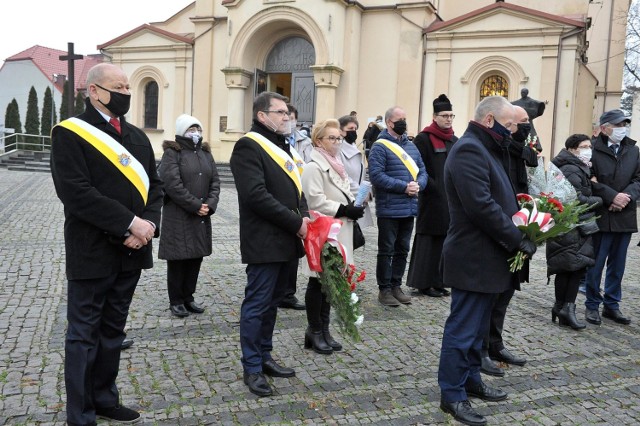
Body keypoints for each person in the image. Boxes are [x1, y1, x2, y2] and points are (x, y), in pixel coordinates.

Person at [50, 63, 163, 425]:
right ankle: (80, 414)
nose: (126, 93)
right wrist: (129, 223)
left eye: (129, 87)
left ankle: (104, 398)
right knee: (84, 334)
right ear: (94, 91)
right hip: (91, 250)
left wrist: (148, 227)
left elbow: (155, 189)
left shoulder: (138, 137)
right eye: (118, 86)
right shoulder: (70, 134)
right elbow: (76, 193)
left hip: (133, 249)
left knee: (113, 330)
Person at [437, 96, 536, 426]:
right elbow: (480, 206)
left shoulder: (487, 148)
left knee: (478, 331)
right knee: (462, 329)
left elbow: (498, 197)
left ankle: (470, 381)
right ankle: (451, 394)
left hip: (489, 256)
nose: (513, 133)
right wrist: (517, 237)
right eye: (509, 126)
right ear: (490, 120)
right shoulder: (469, 149)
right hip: (473, 256)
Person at [230, 91, 310, 397]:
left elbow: (296, 190)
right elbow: (256, 195)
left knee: (273, 302)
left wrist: (304, 217)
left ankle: (264, 355)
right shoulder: (248, 146)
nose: (286, 117)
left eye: (287, 113)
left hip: (288, 239)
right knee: (257, 303)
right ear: (262, 116)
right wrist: (296, 222)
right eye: (280, 113)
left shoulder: (281, 145)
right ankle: (251, 366)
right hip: (264, 240)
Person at [301, 119, 364, 354]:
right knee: (318, 282)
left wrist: (357, 202)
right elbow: (315, 200)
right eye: (332, 138)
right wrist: (345, 209)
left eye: (339, 137)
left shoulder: (337, 164)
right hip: (324, 233)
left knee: (332, 283)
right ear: (319, 141)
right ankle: (314, 330)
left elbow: (346, 192)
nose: (338, 142)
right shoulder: (313, 167)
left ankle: (324, 330)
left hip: (340, 232)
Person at [481, 105, 535, 376]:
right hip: (501, 230)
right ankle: (479, 349)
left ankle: (495, 342)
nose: (525, 127)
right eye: (521, 122)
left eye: (527, 123)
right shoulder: (495, 149)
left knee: (506, 291)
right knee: (490, 294)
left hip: (520, 227)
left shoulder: (520, 149)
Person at [158, 114, 221, 317]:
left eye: (198, 129)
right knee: (178, 259)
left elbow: (215, 182)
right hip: (179, 215)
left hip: (200, 215)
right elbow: (172, 185)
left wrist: (209, 205)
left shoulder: (205, 153)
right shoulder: (172, 153)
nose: (196, 133)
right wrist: (195, 205)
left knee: (195, 257)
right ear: (182, 132)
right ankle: (176, 300)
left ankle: (188, 297)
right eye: (191, 130)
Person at [584, 109, 640, 326]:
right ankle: (592, 305)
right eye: (617, 125)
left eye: (624, 124)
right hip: (602, 214)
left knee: (618, 266)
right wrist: (612, 197)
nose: (621, 128)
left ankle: (612, 305)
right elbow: (589, 181)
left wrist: (625, 197)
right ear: (604, 128)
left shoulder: (633, 150)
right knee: (596, 265)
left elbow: (638, 179)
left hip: (624, 216)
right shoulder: (592, 150)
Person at [368, 106, 428, 307]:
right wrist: (404, 187)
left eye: (405, 118)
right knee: (387, 249)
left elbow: (423, 171)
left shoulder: (411, 146)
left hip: (409, 207)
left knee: (403, 248)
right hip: (389, 208)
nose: (403, 122)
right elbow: (376, 176)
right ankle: (384, 289)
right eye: (399, 119)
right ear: (389, 123)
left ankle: (396, 285)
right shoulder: (380, 146)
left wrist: (419, 184)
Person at [546, 134, 602, 330]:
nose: (588, 149)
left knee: (571, 267)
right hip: (572, 225)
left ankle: (562, 307)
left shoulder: (575, 167)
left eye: (589, 146)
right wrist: (599, 200)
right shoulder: (571, 168)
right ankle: (565, 309)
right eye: (583, 146)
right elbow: (575, 200)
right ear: (571, 149)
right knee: (571, 268)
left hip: (572, 225)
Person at [407, 94, 457, 298]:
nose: (448, 119)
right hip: (431, 197)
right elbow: (417, 167)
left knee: (445, 241)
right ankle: (423, 282)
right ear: (435, 116)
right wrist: (432, 187)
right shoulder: (424, 138)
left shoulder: (455, 139)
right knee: (429, 241)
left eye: (451, 116)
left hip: (450, 199)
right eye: (445, 115)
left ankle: (439, 281)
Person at [276, 104, 311, 311]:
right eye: (284, 116)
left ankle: (288, 293)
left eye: (291, 117)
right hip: (281, 204)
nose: (288, 120)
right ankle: (277, 291)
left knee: (293, 253)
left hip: (299, 201)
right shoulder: (273, 144)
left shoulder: (302, 142)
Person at [338, 115, 374, 231]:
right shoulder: (339, 149)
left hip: (357, 199)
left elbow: (361, 175)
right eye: (350, 129)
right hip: (347, 199)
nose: (353, 131)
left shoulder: (354, 147)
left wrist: (367, 192)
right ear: (341, 131)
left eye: (355, 129)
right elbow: (343, 174)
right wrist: (361, 193)